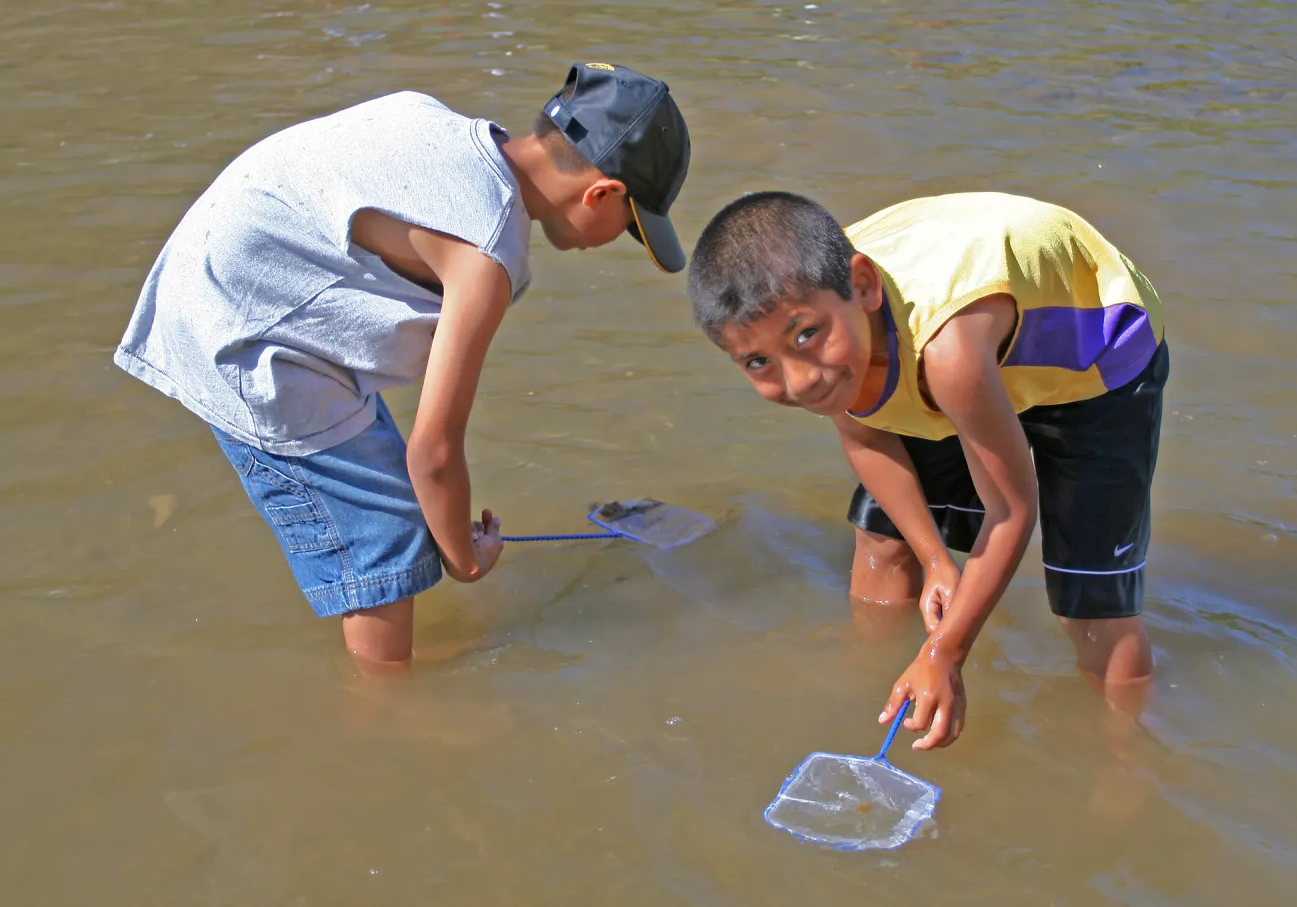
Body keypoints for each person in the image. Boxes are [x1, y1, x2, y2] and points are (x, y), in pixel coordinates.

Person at [114, 62, 690, 668]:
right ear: (603, 194)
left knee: (401, 501)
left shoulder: (434, 122)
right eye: (630, 227)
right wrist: (466, 562)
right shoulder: (487, 252)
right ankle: (387, 702)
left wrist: (445, 519)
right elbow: (433, 453)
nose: (616, 240)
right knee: (387, 542)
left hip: (210, 276)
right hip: (240, 335)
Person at [686, 191, 1168, 748]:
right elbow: (865, 433)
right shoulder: (825, 318)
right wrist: (937, 561)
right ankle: (870, 701)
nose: (800, 381)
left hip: (1093, 352)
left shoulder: (946, 354)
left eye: (806, 335)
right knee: (884, 540)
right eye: (758, 362)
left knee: (1091, 608)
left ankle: (1126, 757)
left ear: (863, 286)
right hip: (962, 341)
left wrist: (945, 652)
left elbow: (1012, 511)